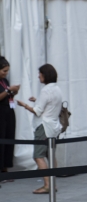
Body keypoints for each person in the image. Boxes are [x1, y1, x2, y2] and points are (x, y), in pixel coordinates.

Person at [16, 64, 63, 194]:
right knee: (50, 155)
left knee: (38, 155)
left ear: (45, 75)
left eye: (40, 74)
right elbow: (51, 104)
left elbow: (37, 111)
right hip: (54, 126)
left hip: (44, 126)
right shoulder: (57, 89)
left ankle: (47, 185)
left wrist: (24, 105)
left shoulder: (45, 90)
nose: (38, 76)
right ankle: (52, 183)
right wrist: (37, 100)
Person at [0, 57, 19, 181]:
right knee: (1, 139)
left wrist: (13, 92)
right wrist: (8, 90)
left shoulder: (4, 81)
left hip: (9, 112)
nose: (6, 73)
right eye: (4, 71)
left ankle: (5, 168)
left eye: (7, 71)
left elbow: (7, 94)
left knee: (9, 138)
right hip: (1, 113)